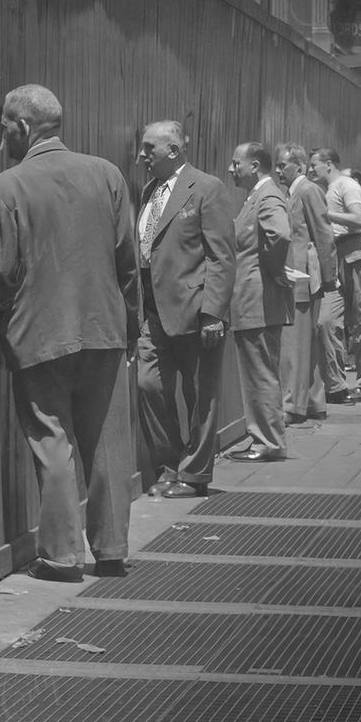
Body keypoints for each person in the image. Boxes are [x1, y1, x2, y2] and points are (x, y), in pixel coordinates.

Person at [0, 86, 138, 581]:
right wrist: (129, 325)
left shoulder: (7, 186)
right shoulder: (108, 174)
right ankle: (111, 549)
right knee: (106, 441)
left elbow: (3, 269)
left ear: (23, 127)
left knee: (51, 440)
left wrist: (0, 328)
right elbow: (127, 259)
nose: (2, 138)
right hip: (104, 326)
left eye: (5, 127)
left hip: (39, 331)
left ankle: (60, 556)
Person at [133, 120, 236, 498]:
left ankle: (194, 475)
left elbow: (222, 256)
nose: (142, 156)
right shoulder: (149, 190)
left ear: (173, 150)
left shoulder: (207, 188)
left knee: (199, 395)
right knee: (149, 385)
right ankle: (168, 465)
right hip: (152, 312)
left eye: (149, 148)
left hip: (195, 312)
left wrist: (213, 314)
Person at [227, 142, 292, 460]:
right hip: (254, 298)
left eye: (236, 163)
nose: (231, 169)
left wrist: (273, 271)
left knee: (260, 371)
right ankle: (265, 438)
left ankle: (267, 441)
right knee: (258, 370)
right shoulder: (258, 196)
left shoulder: (267, 196)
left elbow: (279, 235)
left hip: (258, 298)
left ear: (254, 166)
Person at [310, 148, 361, 403]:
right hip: (333, 256)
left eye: (314, 165)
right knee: (327, 321)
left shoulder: (346, 185)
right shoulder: (326, 190)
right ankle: (336, 385)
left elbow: (357, 218)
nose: (310, 169)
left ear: (328, 164)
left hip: (354, 254)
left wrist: (324, 213)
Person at [275, 143, 337, 424]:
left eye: (282, 166)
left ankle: (293, 406)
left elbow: (324, 234)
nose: (278, 171)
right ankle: (314, 402)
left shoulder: (308, 191)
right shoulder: (291, 192)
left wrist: (329, 277)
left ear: (298, 166)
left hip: (303, 277)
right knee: (306, 343)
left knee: (295, 345)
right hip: (299, 276)